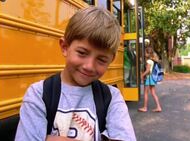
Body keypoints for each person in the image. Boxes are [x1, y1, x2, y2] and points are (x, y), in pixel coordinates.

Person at [15, 6, 136, 141]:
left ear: (111, 60)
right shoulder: (39, 94)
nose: (89, 66)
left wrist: (50, 139)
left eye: (101, 60)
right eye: (82, 53)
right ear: (65, 47)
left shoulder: (111, 97)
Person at [138, 47, 162, 112]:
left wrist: (142, 75)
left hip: (148, 78)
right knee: (153, 93)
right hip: (152, 78)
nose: (144, 54)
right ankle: (158, 107)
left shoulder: (148, 61)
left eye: (145, 52)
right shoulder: (153, 61)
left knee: (146, 93)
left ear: (148, 53)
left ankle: (145, 108)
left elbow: (148, 70)